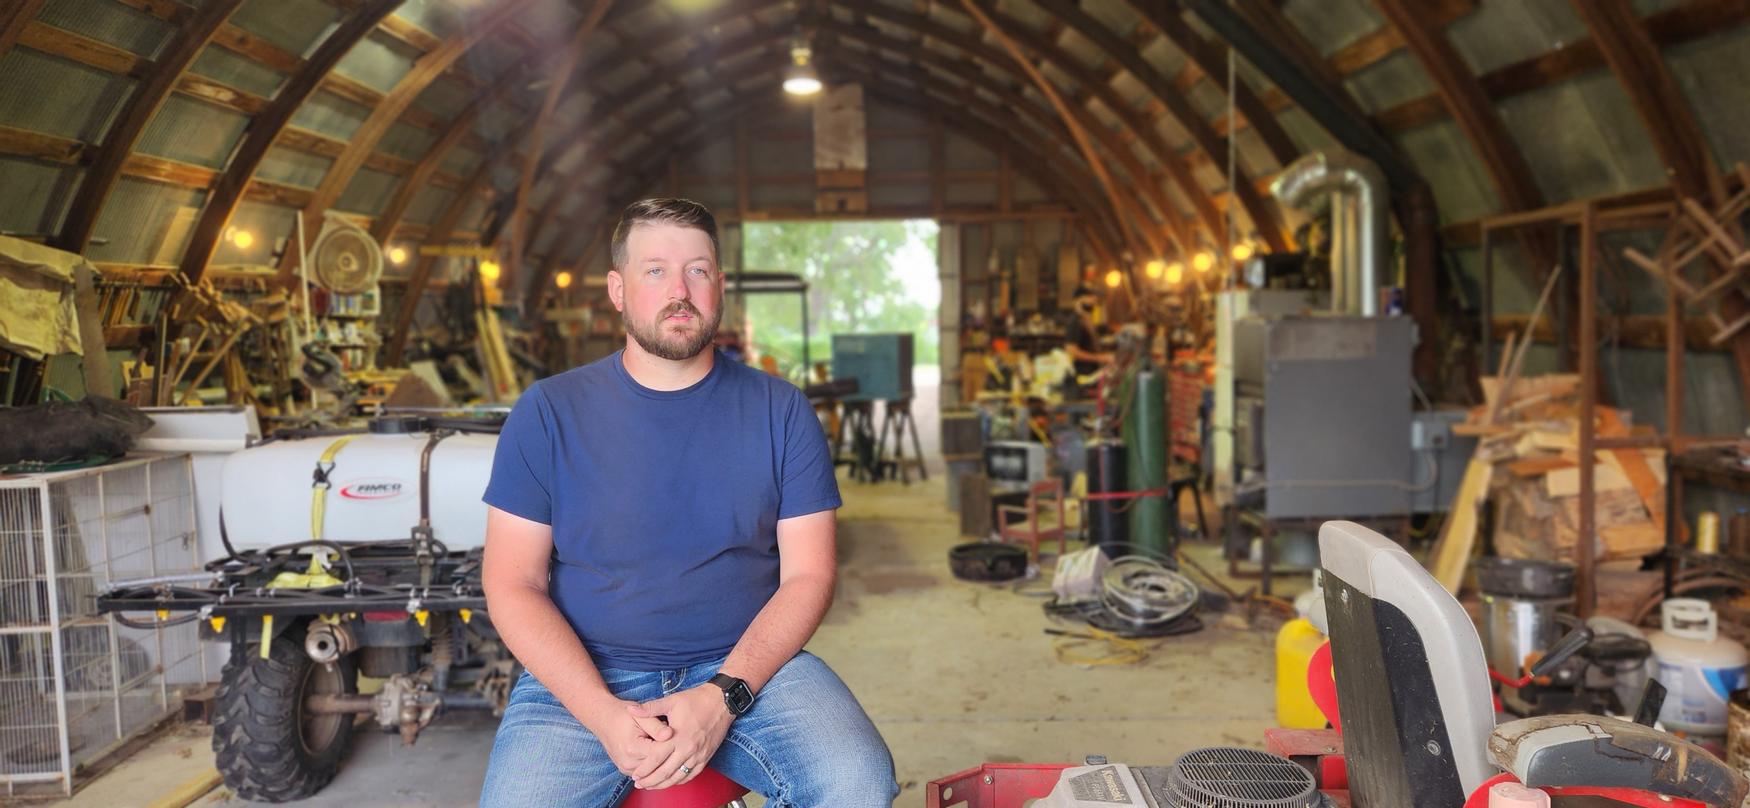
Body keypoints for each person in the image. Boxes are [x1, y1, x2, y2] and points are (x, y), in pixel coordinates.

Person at [477, 198, 898, 807]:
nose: (680, 291)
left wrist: (724, 695)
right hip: (585, 675)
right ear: (618, 290)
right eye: (656, 271)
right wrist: (602, 714)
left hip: (749, 669)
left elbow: (809, 577)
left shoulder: (781, 412)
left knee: (857, 780)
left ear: (719, 285)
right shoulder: (547, 413)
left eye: (697, 270)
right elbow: (512, 583)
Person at [1065, 285, 1113, 381]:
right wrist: (1100, 358)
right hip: (1083, 375)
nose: (1094, 299)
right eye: (1090, 296)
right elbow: (1072, 351)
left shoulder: (1087, 319)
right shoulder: (1075, 321)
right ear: (1079, 299)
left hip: (1093, 373)